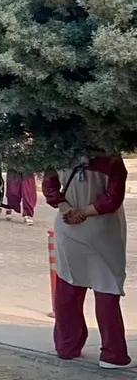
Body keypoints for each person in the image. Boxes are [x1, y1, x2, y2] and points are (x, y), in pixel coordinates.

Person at [44, 155, 131, 369]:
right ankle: (112, 354)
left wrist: (67, 210)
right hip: (103, 229)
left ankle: (67, 346)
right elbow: (113, 198)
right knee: (107, 289)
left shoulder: (56, 149)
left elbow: (50, 187)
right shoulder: (110, 156)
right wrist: (85, 212)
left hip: (68, 227)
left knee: (68, 286)